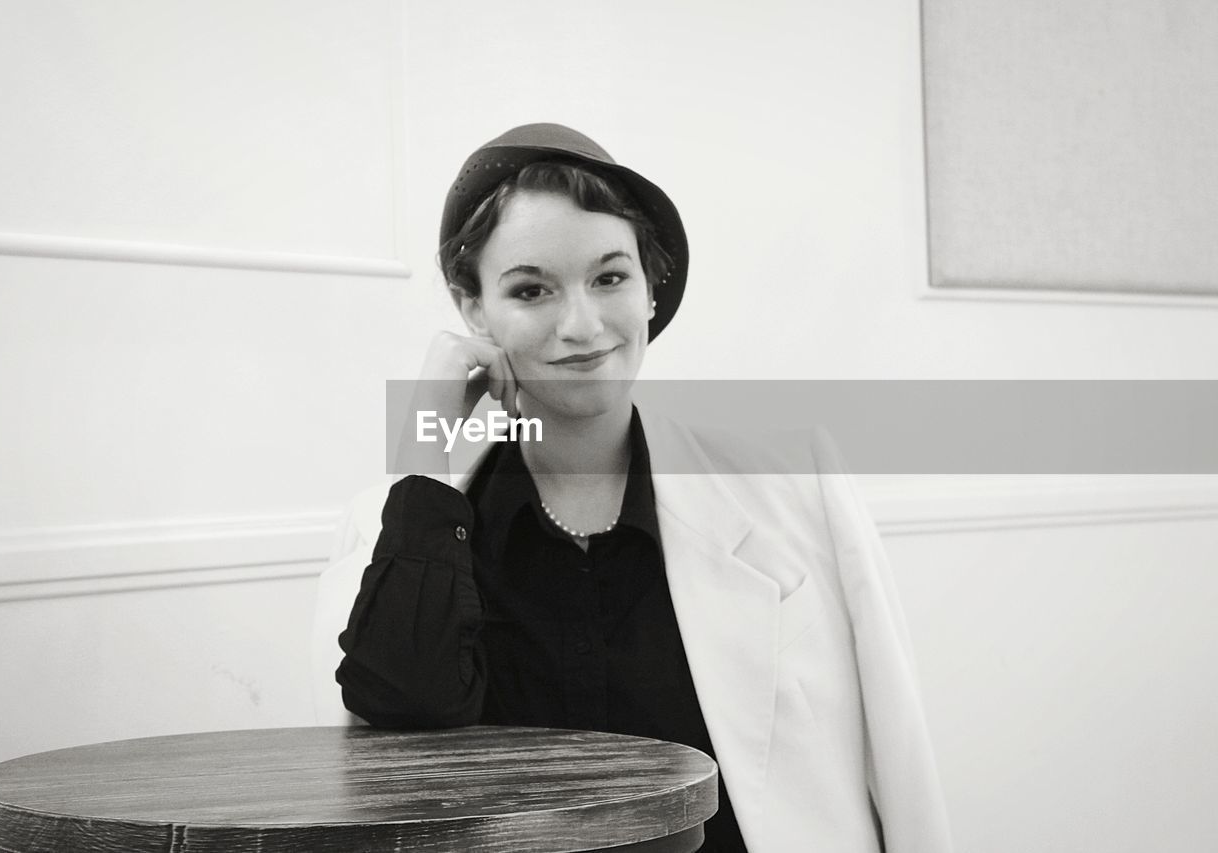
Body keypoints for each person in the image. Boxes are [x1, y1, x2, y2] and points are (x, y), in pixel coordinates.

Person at [332, 123, 953, 853]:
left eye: (610, 277)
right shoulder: (410, 522)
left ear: (651, 289)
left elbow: (903, 769)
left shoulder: (797, 486)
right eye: (531, 289)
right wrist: (424, 451)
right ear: (474, 311)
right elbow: (390, 746)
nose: (582, 324)